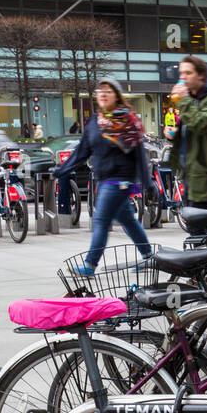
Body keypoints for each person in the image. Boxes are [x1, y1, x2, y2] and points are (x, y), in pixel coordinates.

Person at [55, 77, 153, 278]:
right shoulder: (95, 122)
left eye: (108, 91)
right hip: (104, 178)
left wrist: (147, 181)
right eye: (100, 91)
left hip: (121, 179)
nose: (103, 94)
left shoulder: (127, 121)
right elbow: (82, 150)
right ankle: (149, 256)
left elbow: (139, 154)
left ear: (116, 95)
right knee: (127, 219)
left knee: (100, 219)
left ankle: (90, 265)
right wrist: (62, 170)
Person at [165, 55, 207, 210]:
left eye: (188, 73)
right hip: (192, 174)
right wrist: (175, 134)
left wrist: (184, 100)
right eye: (181, 74)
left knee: (197, 225)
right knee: (198, 227)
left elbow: (203, 124)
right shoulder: (195, 101)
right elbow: (194, 132)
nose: (183, 77)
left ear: (200, 75)